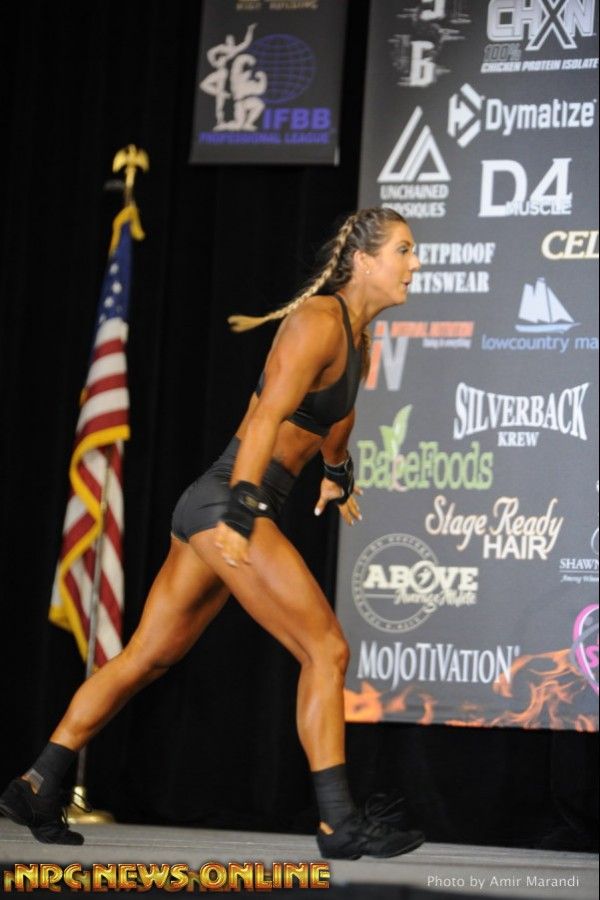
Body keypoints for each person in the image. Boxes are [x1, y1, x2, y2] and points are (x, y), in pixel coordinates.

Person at [0, 207, 423, 860]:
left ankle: (38, 781)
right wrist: (243, 511)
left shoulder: (359, 338)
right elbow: (267, 417)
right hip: (230, 497)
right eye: (404, 250)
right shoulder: (316, 321)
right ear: (364, 261)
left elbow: (335, 421)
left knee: (146, 658)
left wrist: (337, 476)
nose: (415, 264)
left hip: (216, 503)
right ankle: (338, 822)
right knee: (326, 650)